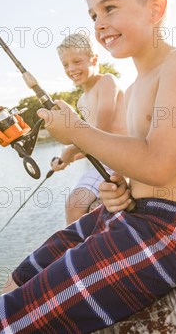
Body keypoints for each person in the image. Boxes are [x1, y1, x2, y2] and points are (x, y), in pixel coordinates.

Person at [0, 0, 176, 334]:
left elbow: (159, 165)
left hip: (172, 230)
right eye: (92, 15)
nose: (99, 23)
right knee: (18, 280)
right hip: (130, 215)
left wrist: (75, 131)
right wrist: (116, 188)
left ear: (156, 8)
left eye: (109, 8)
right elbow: (135, 165)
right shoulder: (136, 87)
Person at [51, 32, 127, 224]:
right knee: (75, 206)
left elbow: (99, 135)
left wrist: (70, 150)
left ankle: (80, 252)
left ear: (94, 59)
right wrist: (67, 160)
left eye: (77, 61)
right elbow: (92, 147)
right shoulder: (81, 100)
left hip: (122, 159)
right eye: (66, 65)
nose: (71, 69)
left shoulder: (107, 82)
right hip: (103, 160)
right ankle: (81, 249)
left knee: (74, 204)